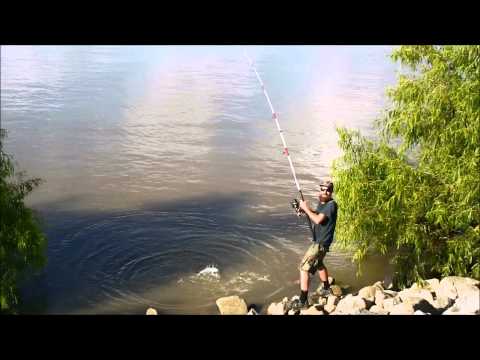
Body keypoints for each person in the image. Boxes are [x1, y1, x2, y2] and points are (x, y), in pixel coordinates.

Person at [291, 178, 338, 310]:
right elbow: (317, 214)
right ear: (320, 189)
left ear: (331, 192)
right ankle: (326, 288)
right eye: (323, 189)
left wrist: (306, 207)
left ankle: (303, 301)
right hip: (321, 241)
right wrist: (305, 211)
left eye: (328, 190)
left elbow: (317, 220)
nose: (325, 192)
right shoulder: (323, 203)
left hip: (320, 243)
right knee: (319, 264)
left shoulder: (331, 205)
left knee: (303, 268)